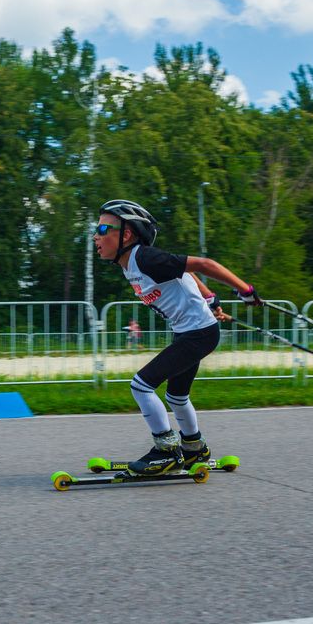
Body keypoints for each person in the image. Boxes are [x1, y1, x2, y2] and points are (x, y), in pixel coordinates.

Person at [93, 199, 262, 477]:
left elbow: (205, 264)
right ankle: (194, 447)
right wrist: (209, 298)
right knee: (177, 395)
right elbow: (184, 271)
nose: (96, 236)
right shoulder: (130, 263)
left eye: (102, 228)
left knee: (141, 385)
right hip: (190, 332)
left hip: (197, 334)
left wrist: (245, 291)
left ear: (126, 235)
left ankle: (167, 450)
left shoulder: (144, 258)